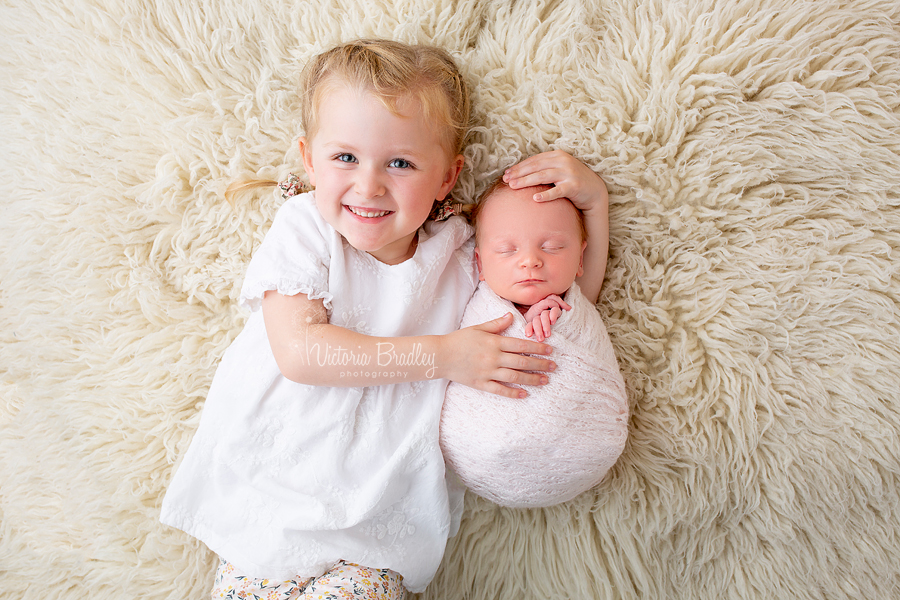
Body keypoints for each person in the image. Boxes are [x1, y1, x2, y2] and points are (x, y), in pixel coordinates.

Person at [159, 39, 609, 598]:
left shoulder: (459, 252)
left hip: (376, 523)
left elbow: (566, 305)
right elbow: (302, 353)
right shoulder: (307, 231)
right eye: (345, 158)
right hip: (272, 502)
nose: (369, 185)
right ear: (309, 160)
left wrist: (594, 206)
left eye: (400, 163)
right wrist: (448, 355)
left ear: (447, 177)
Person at [440, 176, 629, 508]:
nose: (530, 261)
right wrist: (522, 323)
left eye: (552, 246)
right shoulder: (473, 303)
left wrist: (555, 320)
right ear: (480, 264)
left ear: (581, 260)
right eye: (506, 250)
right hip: (479, 443)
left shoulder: (576, 303)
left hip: (584, 444)